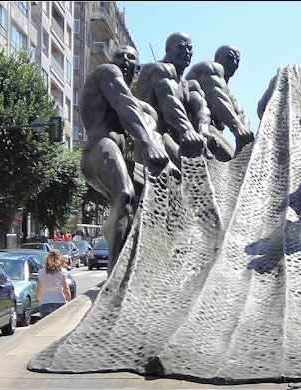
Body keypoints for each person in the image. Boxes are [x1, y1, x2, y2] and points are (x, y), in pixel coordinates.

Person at [79, 44, 170, 273]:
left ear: (136, 70)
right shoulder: (107, 73)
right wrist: (147, 142)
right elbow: (125, 105)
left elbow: (146, 115)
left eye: (131, 58)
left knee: (158, 189)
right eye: (120, 56)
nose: (125, 60)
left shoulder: (136, 100)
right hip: (98, 149)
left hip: (115, 154)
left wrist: (153, 141)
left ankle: (140, 258)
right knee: (125, 193)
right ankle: (114, 271)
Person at [135, 32, 210, 166]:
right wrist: (187, 129)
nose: (186, 52)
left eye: (189, 48)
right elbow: (169, 101)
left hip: (177, 145)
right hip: (155, 144)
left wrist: (203, 130)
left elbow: (202, 108)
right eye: (180, 48)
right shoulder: (157, 69)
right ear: (168, 50)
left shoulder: (188, 84)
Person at [185, 44, 254, 161]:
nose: (234, 63)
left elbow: (241, 116)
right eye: (229, 58)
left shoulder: (231, 97)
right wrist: (237, 127)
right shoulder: (209, 68)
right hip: (194, 134)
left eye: (237, 60)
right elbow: (215, 96)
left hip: (212, 139)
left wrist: (244, 135)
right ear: (218, 58)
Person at [36, 249, 72, 319]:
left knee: (46, 327)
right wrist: (70, 302)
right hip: (59, 301)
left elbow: (38, 290)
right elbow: (66, 288)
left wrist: (40, 301)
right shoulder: (62, 272)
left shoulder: (41, 272)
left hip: (45, 303)